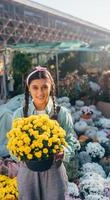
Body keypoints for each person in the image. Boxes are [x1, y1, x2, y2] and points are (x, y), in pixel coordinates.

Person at [13, 66, 75, 200]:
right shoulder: (20, 114)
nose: (40, 92)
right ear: (28, 89)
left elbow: (72, 141)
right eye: (35, 87)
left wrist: (63, 152)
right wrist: (21, 153)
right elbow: (12, 145)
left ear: (51, 87)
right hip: (28, 171)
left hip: (54, 170)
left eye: (44, 87)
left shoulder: (61, 113)